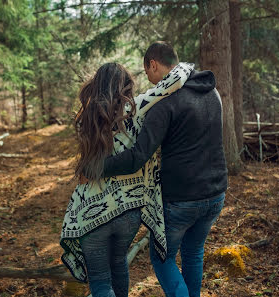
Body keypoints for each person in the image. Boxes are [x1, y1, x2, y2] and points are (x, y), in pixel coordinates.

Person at [102, 41, 228, 297]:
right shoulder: (211, 92)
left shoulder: (165, 102)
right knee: (193, 254)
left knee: (162, 259)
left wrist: (99, 166)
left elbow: (138, 156)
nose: (148, 80)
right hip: (216, 194)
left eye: (147, 72)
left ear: (154, 64)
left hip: (181, 200)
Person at [60, 62, 194, 297]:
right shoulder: (136, 108)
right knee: (119, 263)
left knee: (101, 282)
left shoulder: (85, 118)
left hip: (91, 210)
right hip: (128, 211)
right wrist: (184, 66)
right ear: (126, 85)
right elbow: (172, 82)